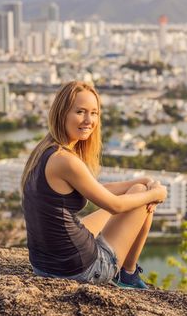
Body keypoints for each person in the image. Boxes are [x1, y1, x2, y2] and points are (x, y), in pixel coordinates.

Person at [21, 81, 167, 289]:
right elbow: (115, 206)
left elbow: (96, 190)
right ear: (61, 114)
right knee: (140, 198)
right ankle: (128, 273)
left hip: (44, 265)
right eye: (80, 112)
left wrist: (139, 182)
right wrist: (155, 193)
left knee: (138, 191)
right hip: (81, 269)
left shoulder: (46, 150)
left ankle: (128, 272)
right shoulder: (66, 160)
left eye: (94, 113)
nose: (89, 120)